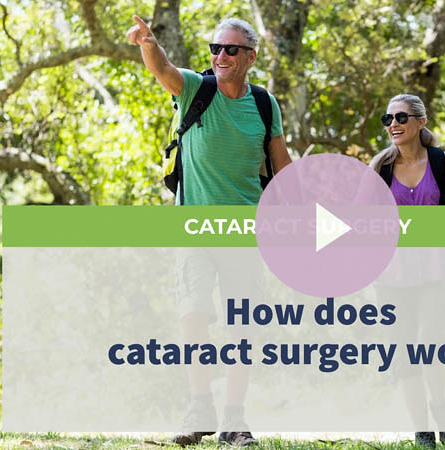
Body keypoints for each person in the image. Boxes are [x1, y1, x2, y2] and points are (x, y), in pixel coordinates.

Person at [126, 15, 291, 446]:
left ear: (250, 56)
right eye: (215, 48)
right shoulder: (195, 90)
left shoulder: (263, 103)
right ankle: (200, 407)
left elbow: (281, 161)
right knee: (193, 314)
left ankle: (235, 419)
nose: (219, 56)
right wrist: (147, 43)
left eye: (230, 49)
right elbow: (162, 68)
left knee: (242, 325)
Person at [370, 94, 445, 447]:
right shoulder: (380, 167)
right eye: (388, 118)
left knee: (432, 342)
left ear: (421, 122)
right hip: (391, 275)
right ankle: (422, 430)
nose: (393, 124)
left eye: (401, 117)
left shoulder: (442, 162)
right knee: (403, 348)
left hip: (434, 271)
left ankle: (440, 406)